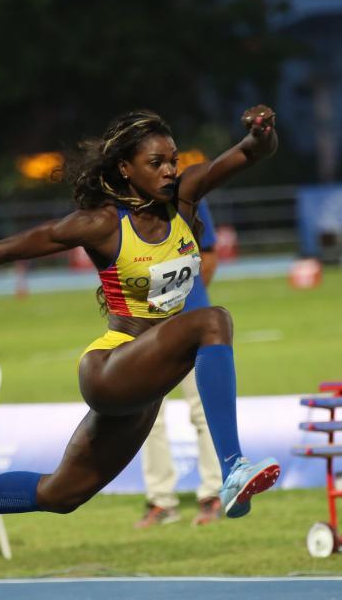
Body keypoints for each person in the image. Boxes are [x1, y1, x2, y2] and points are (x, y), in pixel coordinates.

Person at [0, 106, 282, 555]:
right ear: (125, 169)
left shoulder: (186, 196)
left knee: (61, 494)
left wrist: (262, 132)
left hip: (147, 380)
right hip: (110, 370)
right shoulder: (101, 224)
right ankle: (232, 468)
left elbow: (249, 153)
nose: (169, 171)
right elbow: (4, 250)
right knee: (214, 320)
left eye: (172, 160)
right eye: (155, 163)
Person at [136, 164, 224, 528]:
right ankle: (161, 501)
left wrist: (180, 300)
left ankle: (214, 494)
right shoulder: (122, 206)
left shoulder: (187, 194)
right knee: (147, 417)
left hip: (191, 322)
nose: (167, 168)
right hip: (144, 326)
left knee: (203, 410)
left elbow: (211, 256)